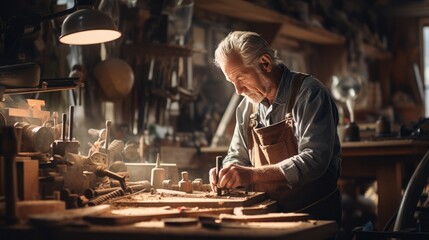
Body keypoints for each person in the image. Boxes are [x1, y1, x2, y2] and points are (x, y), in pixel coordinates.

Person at [209, 31, 342, 223]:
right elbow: (238, 156)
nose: (238, 90)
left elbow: (314, 160)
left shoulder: (309, 94)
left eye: (241, 78)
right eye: (232, 82)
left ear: (265, 63)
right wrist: (229, 171)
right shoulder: (247, 106)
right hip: (268, 214)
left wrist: (251, 175)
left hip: (313, 214)